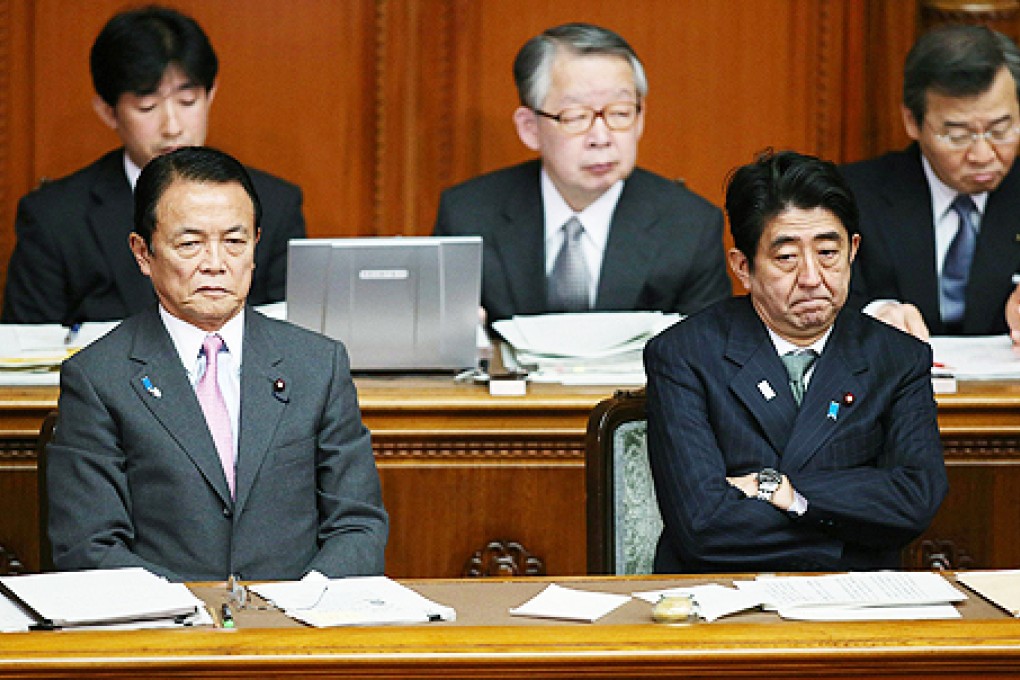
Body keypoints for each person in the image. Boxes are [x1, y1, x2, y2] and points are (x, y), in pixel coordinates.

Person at [46, 146, 387, 581]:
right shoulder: (98, 378)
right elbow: (87, 544)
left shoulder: (318, 365)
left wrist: (304, 604)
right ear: (142, 253)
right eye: (190, 244)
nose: (215, 264)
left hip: (298, 631)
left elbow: (358, 525)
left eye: (234, 242)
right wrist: (194, 612)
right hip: (167, 633)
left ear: (256, 245)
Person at [645, 150, 947, 573]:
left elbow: (914, 500)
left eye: (827, 252)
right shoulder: (684, 355)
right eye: (786, 257)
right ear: (743, 267)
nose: (811, 277)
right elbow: (701, 525)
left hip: (855, 603)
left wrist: (781, 491)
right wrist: (844, 535)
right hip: (722, 598)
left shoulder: (897, 358)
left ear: (853, 251)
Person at [2, 5, 305, 325]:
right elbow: (24, 353)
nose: (172, 126)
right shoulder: (55, 218)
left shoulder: (275, 204)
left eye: (187, 101)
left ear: (210, 96)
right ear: (108, 111)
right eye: (147, 106)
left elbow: (288, 339)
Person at [433, 22, 730, 323]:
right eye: (576, 117)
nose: (601, 137)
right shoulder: (468, 217)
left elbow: (706, 358)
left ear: (640, 119)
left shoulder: (690, 227)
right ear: (530, 127)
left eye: (620, 113)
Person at [841, 24, 1020, 342]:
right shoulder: (852, 197)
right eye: (957, 135)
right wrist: (875, 316)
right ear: (912, 121)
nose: (981, 154)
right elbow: (818, 306)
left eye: (1000, 130)